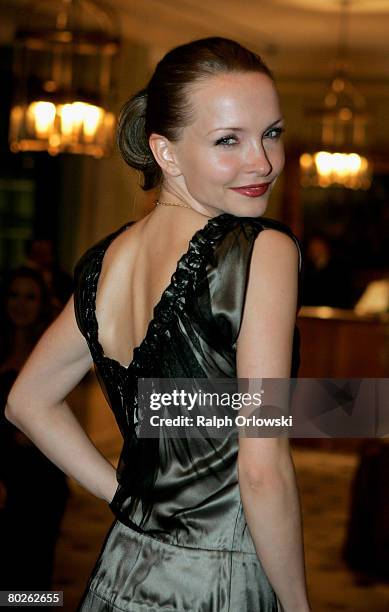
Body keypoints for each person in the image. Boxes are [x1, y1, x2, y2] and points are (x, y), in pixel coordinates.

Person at [5, 37, 311, 611]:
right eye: (229, 140)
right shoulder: (259, 250)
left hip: (121, 567)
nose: (263, 162)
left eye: (272, 132)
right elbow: (263, 468)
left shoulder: (105, 261)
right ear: (166, 154)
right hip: (221, 579)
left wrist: (123, 498)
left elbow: (28, 400)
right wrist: (297, 604)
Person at [0, 267, 69, 591]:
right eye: (14, 295)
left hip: (38, 482)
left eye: (31, 296)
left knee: (34, 574)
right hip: (5, 474)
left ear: (42, 303)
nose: (21, 304)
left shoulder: (49, 353)